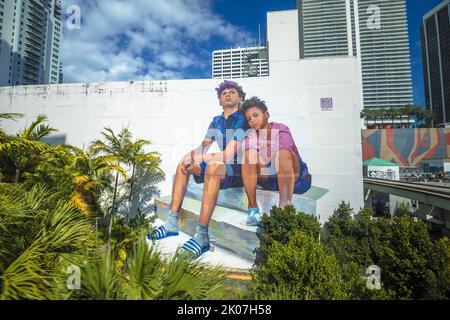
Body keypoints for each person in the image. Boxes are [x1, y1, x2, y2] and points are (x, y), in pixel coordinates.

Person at [149, 80, 249, 259]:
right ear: (219, 100)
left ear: (240, 98)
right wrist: (189, 157)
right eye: (224, 92)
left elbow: (228, 154)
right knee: (183, 165)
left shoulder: (242, 118)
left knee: (212, 166)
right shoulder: (216, 120)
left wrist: (200, 158)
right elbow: (203, 148)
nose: (227, 94)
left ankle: (202, 236)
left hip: (242, 169)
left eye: (232, 92)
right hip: (223, 166)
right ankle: (172, 222)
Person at [240, 96, 312, 225]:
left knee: (282, 154)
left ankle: (284, 209)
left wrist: (261, 155)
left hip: (296, 179)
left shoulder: (281, 128)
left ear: (266, 114)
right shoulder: (250, 136)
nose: (252, 121)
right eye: (249, 119)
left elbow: (282, 149)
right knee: (247, 156)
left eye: (255, 115)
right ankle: (253, 210)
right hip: (270, 177)